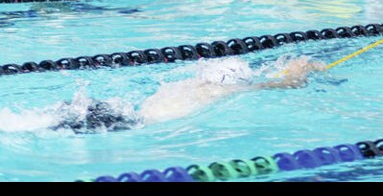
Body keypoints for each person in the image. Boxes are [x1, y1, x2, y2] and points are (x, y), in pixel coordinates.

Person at [43, 56, 327, 133]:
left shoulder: (195, 82)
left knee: (56, 120)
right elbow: (285, 84)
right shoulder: (220, 92)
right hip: (131, 125)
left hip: (124, 111)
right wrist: (304, 68)